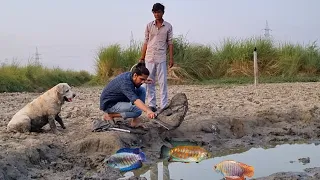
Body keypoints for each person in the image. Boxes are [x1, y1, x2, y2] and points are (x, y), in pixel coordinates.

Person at [139, 2, 174, 112]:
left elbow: (170, 43)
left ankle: (164, 106)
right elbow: (145, 41)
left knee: (163, 82)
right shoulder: (149, 25)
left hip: (161, 57)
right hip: (149, 56)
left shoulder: (168, 26)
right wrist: (142, 57)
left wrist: (171, 58)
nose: (156, 14)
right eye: (154, 12)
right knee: (149, 81)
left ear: (162, 13)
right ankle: (152, 104)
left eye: (158, 12)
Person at [99, 62, 156, 128]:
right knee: (138, 110)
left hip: (119, 98)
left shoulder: (130, 75)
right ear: (135, 75)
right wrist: (148, 110)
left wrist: (144, 80)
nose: (143, 82)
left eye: (144, 79)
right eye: (141, 79)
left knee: (141, 90)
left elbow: (137, 86)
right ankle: (110, 115)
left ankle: (135, 120)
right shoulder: (125, 83)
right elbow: (135, 100)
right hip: (110, 105)